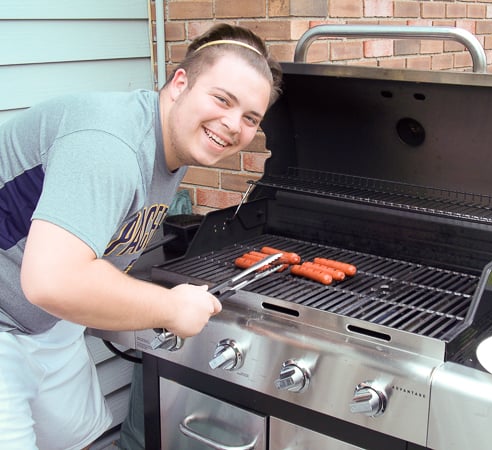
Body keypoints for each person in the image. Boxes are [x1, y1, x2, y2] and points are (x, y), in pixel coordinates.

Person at [0, 23, 282, 450]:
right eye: (222, 99)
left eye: (249, 118)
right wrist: (169, 307)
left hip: (45, 322)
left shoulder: (176, 139)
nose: (231, 125)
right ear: (179, 83)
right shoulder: (110, 143)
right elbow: (52, 280)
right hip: (11, 312)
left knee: (82, 443)